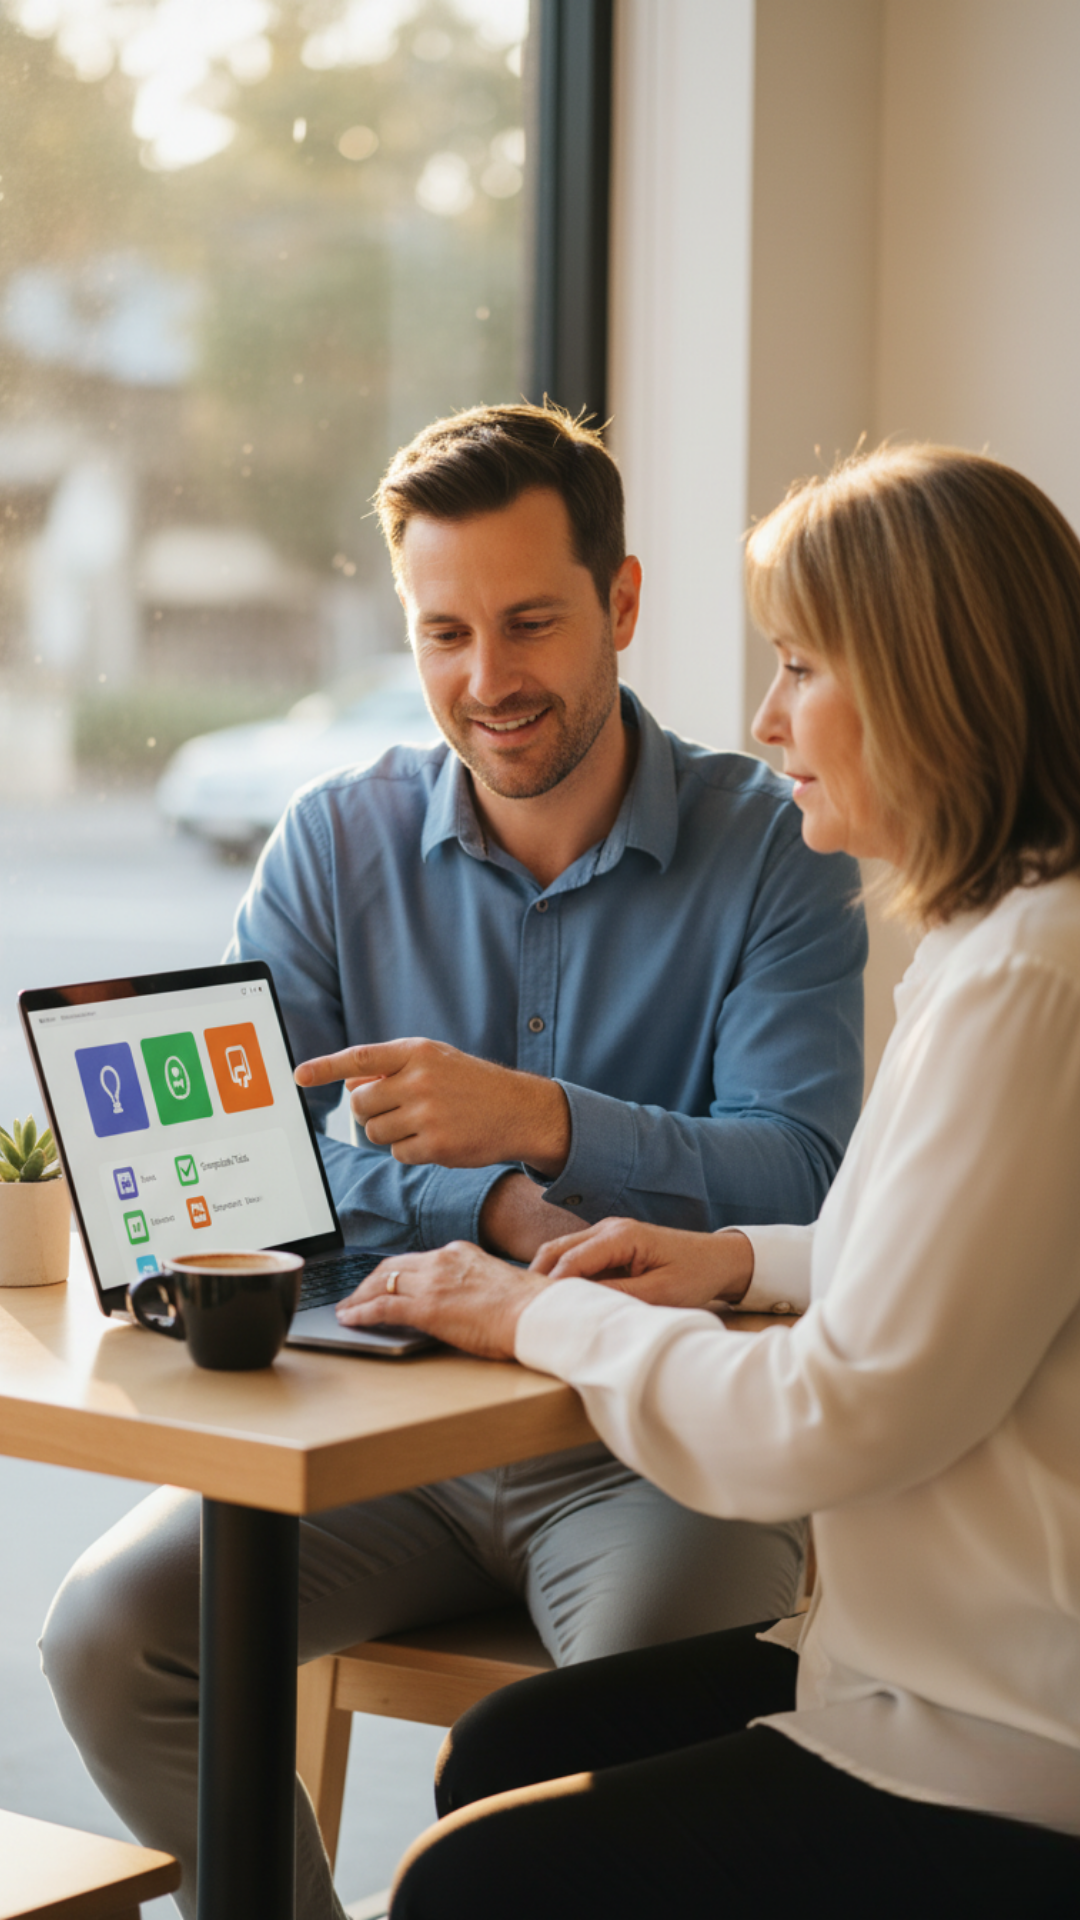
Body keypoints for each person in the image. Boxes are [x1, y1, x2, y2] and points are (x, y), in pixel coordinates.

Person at [40, 404, 865, 1920]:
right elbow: (240, 1165)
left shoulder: (776, 849)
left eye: (532, 622)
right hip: (375, 1434)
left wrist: (543, 1119)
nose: (488, 682)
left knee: (615, 1746)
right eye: (444, 634)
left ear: (620, 602)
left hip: (655, 1446)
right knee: (109, 1635)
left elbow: (807, 1177)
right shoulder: (329, 846)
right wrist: (476, 1196)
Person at [335, 443, 1080, 1915]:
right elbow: (979, 1248)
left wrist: (531, 1314)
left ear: (935, 682)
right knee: (508, 1749)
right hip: (922, 1665)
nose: (764, 715)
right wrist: (740, 1262)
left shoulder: (1030, 983)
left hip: (1001, 1732)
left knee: (469, 1882)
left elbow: (820, 1424)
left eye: (803, 665)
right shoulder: (1003, 939)